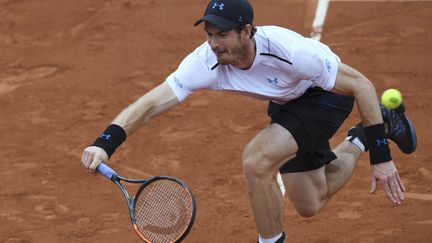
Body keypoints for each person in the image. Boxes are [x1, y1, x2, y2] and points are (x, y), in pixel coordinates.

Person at [81, 0, 417, 242]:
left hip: (324, 98)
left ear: (245, 32)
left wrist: (381, 159)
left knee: (256, 161)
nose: (213, 44)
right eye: (209, 34)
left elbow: (360, 84)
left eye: (222, 35)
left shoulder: (292, 53)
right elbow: (152, 102)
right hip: (287, 104)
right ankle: (369, 131)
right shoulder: (206, 61)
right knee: (311, 203)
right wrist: (104, 142)